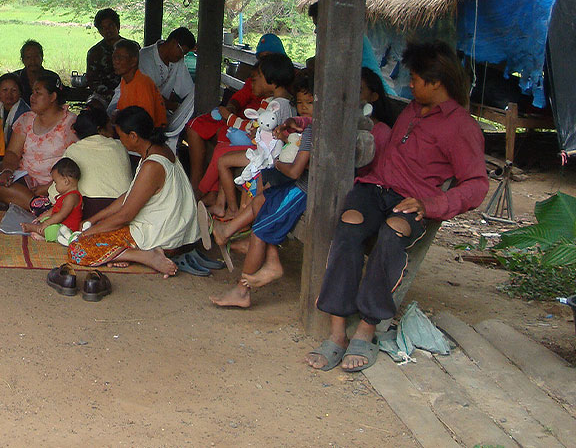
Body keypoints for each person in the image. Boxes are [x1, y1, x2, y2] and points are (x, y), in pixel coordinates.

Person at [306, 42, 489, 374]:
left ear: (437, 82)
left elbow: (476, 184)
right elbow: (390, 145)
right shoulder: (412, 110)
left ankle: (366, 330)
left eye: (417, 79)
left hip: (411, 201)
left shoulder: (462, 127)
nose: (410, 85)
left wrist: (434, 204)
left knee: (391, 237)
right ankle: (336, 334)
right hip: (375, 188)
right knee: (347, 230)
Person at [212, 72, 316, 308]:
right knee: (260, 201)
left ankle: (242, 291)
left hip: (303, 190)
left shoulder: (312, 131)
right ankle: (233, 235)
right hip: (299, 185)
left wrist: (276, 162)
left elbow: (294, 172)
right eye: (299, 103)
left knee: (260, 231)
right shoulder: (308, 128)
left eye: (309, 103)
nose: (303, 108)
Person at [66, 107, 202, 275]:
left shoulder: (152, 165)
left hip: (162, 238)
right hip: (177, 234)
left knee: (78, 249)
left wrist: (88, 232)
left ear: (133, 136)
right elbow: (129, 195)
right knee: (99, 234)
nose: (120, 141)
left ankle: (146, 257)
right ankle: (124, 255)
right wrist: (95, 219)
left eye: (121, 136)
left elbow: (125, 216)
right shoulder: (159, 150)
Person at [202, 52, 296, 217]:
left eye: (257, 77)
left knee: (224, 161)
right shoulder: (281, 102)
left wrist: (229, 118)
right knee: (227, 153)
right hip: (265, 151)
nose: (253, 83)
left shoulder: (277, 105)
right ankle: (220, 205)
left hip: (267, 157)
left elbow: (254, 126)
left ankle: (231, 210)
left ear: (271, 79)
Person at [185, 35, 285, 189]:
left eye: (269, 58)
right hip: (236, 118)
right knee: (194, 126)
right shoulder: (255, 80)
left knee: (223, 139)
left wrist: (231, 118)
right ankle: (195, 181)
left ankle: (205, 191)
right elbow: (240, 97)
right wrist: (231, 108)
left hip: (243, 127)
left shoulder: (277, 99)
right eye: (261, 58)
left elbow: (256, 128)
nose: (264, 63)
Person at [0, 74, 78, 211]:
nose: (32, 97)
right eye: (32, 92)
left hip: (57, 183)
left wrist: (47, 188)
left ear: (53, 97)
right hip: (26, 181)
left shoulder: (70, 123)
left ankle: (36, 204)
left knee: (68, 191)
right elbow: (13, 152)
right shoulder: (26, 119)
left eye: (38, 93)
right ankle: (40, 207)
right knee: (0, 189)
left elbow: (76, 164)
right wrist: (8, 170)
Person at [48, 107, 132, 219]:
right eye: (109, 124)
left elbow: (56, 192)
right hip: (123, 209)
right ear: (100, 129)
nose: (112, 129)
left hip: (90, 212)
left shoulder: (74, 150)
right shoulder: (119, 146)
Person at [306, 2, 394, 94]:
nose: (316, 31)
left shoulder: (349, 38)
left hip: (378, 94)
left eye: (318, 25)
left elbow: (326, 67)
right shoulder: (339, 38)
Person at [138, 27, 197, 139]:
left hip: (159, 112)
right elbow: (149, 94)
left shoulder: (177, 60)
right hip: (140, 111)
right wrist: (174, 106)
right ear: (174, 43)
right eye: (182, 52)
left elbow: (188, 90)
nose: (182, 56)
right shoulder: (145, 57)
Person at [107, 39, 166, 129]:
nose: (116, 62)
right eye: (114, 57)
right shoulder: (125, 81)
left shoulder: (143, 84)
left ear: (133, 61)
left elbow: (146, 124)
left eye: (120, 58)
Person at [85, 8, 137, 108]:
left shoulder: (132, 47)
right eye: (103, 28)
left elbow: (141, 71)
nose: (108, 30)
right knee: (92, 107)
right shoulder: (95, 52)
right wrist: (111, 95)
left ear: (117, 26)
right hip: (104, 96)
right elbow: (92, 81)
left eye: (110, 26)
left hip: (131, 91)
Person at [22, 158, 83, 242]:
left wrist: (46, 223)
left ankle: (35, 229)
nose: (54, 185)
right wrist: (42, 217)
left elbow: (62, 215)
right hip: (59, 223)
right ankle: (44, 234)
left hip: (67, 229)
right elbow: (54, 209)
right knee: (45, 220)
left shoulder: (72, 197)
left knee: (54, 230)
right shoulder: (64, 196)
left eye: (55, 182)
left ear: (66, 181)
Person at [0, 73, 29, 146]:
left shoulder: (25, 113)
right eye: (5, 90)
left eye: (14, 90)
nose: (9, 94)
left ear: (20, 92)